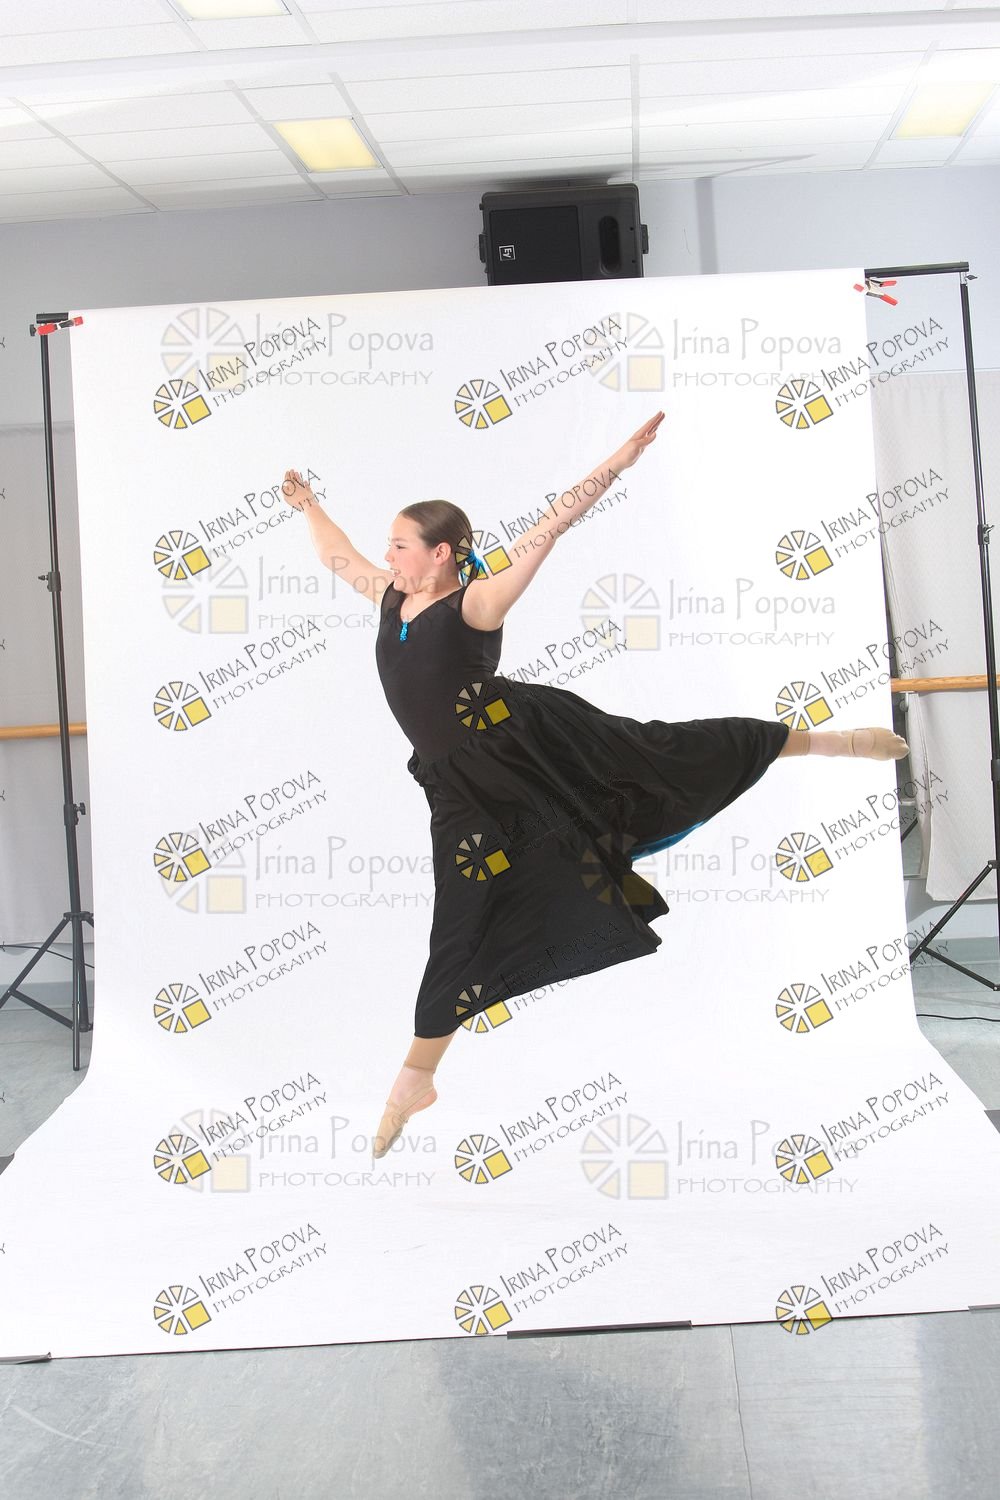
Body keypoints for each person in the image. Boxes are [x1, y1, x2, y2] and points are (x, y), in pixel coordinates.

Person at [282, 412, 907, 1160]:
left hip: (525, 750)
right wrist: (308, 505)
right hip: (460, 790)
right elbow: (337, 555)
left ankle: (830, 741)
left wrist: (617, 462)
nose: (386, 554)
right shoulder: (392, 596)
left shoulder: (474, 604)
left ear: (440, 553)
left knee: (663, 752)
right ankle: (417, 1078)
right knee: (460, 919)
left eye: (399, 544)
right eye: (388, 545)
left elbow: (550, 528)